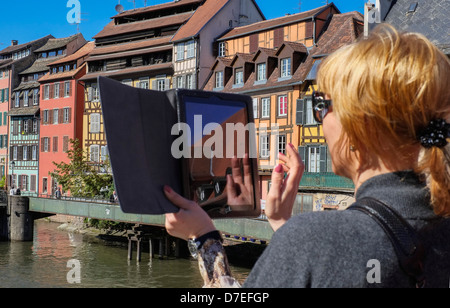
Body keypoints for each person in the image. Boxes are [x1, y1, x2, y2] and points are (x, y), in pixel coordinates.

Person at [163, 24, 450, 288]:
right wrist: (285, 229)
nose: (319, 119)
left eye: (321, 105)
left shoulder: (314, 240)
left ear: (358, 125)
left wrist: (204, 237)